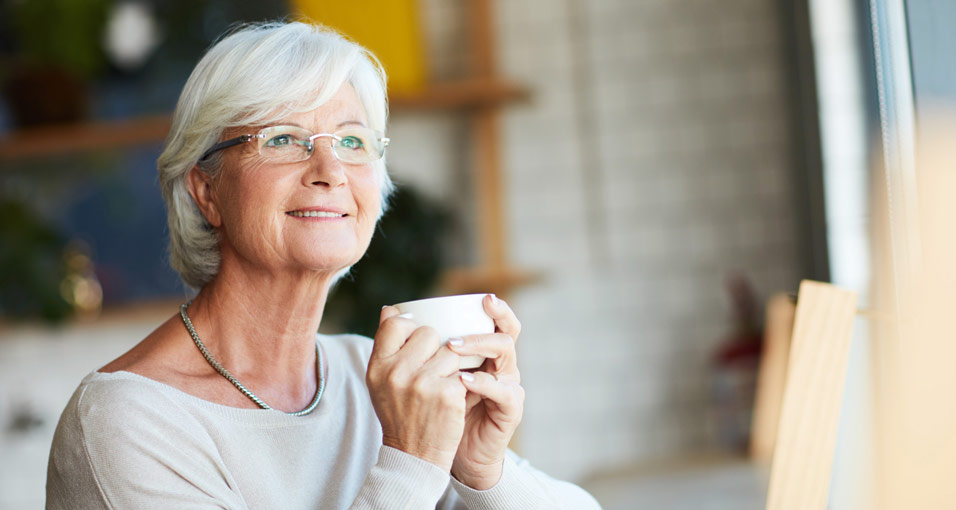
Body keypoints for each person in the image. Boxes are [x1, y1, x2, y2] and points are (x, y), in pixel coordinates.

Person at [46, 21, 601, 510]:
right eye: (283, 138)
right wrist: (410, 463)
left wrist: (483, 471)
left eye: (353, 140)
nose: (330, 169)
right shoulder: (127, 422)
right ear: (206, 192)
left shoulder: (377, 374)